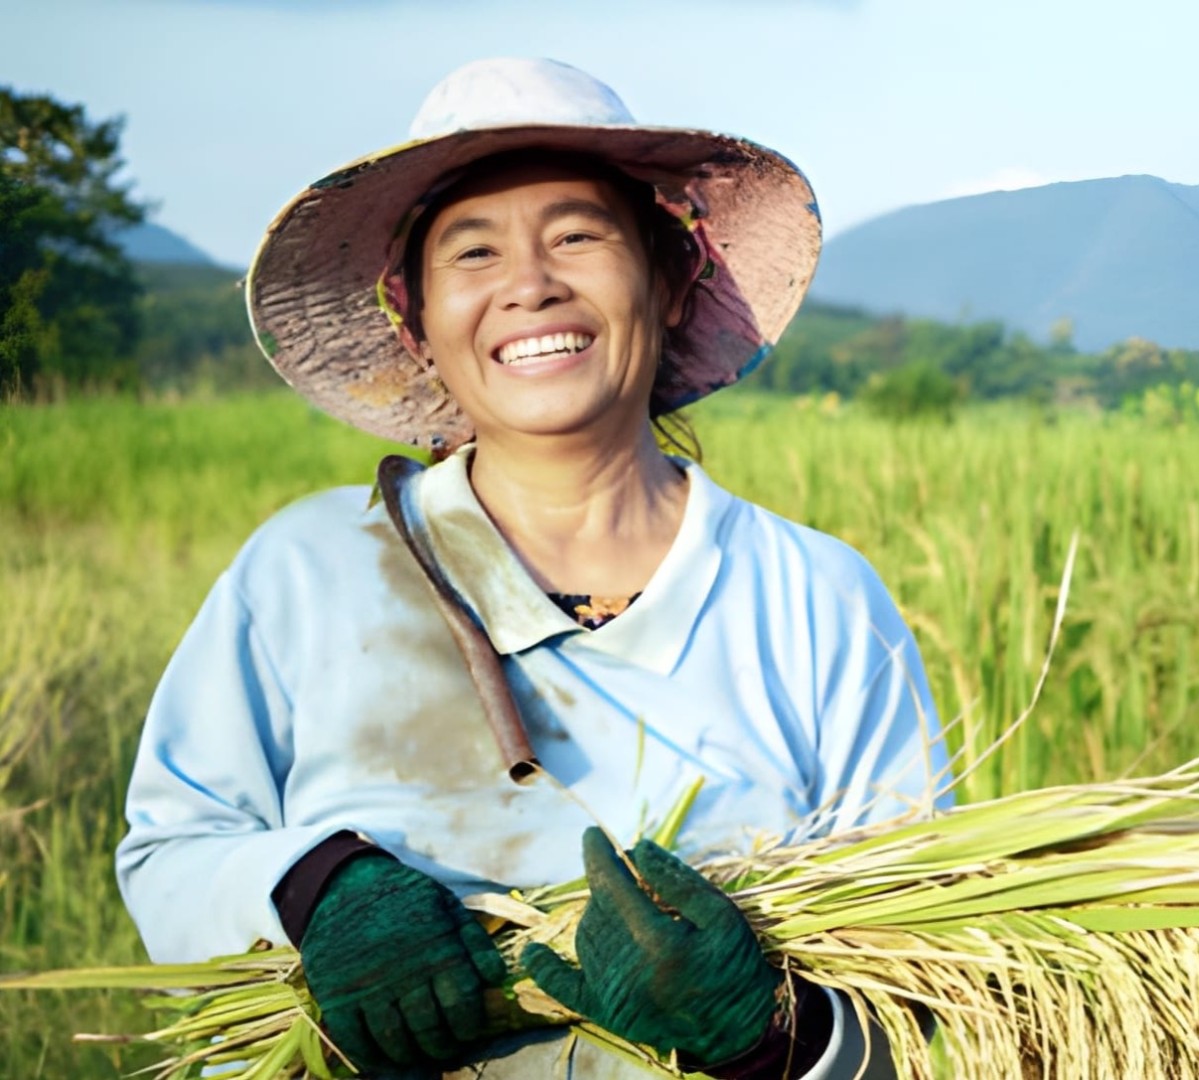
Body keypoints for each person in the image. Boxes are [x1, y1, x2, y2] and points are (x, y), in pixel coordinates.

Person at [114, 57, 950, 1079]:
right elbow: (170, 856)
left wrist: (764, 1036)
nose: (529, 284)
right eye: (472, 252)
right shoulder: (310, 571)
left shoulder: (812, 597)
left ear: (671, 280)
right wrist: (314, 886)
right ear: (414, 319)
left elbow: (922, 990)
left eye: (577, 237)